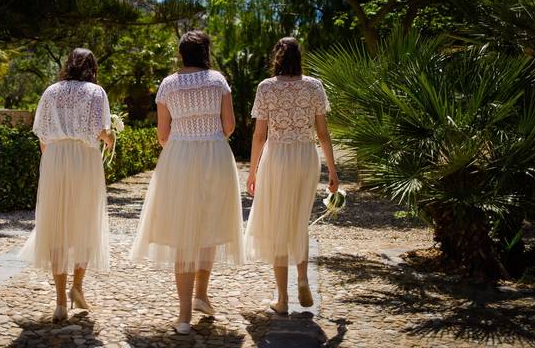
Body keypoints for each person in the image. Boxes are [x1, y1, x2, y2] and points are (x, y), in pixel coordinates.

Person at [130, 30, 244, 335]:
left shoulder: (168, 84)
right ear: (205, 51)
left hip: (178, 156)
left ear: (181, 53)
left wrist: (183, 147)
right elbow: (230, 125)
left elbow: (162, 134)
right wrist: (208, 139)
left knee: (183, 230)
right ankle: (202, 296)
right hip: (215, 154)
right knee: (209, 224)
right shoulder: (218, 80)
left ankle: (183, 316)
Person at [244, 37, 339, 314]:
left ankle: (283, 299)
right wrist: (333, 170)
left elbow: (259, 135)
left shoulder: (266, 88)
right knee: (299, 221)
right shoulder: (314, 86)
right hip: (305, 157)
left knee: (277, 225)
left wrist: (252, 171)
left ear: (277, 57)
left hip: (276, 157)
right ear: (300, 58)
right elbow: (323, 133)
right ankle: (302, 278)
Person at [19, 48, 115, 322]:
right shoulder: (96, 93)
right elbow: (99, 129)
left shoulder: (51, 92)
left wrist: (51, 163)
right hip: (84, 158)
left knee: (57, 224)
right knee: (86, 221)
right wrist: (111, 139)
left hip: (56, 158)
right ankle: (77, 287)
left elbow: (42, 134)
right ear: (92, 68)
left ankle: (60, 301)